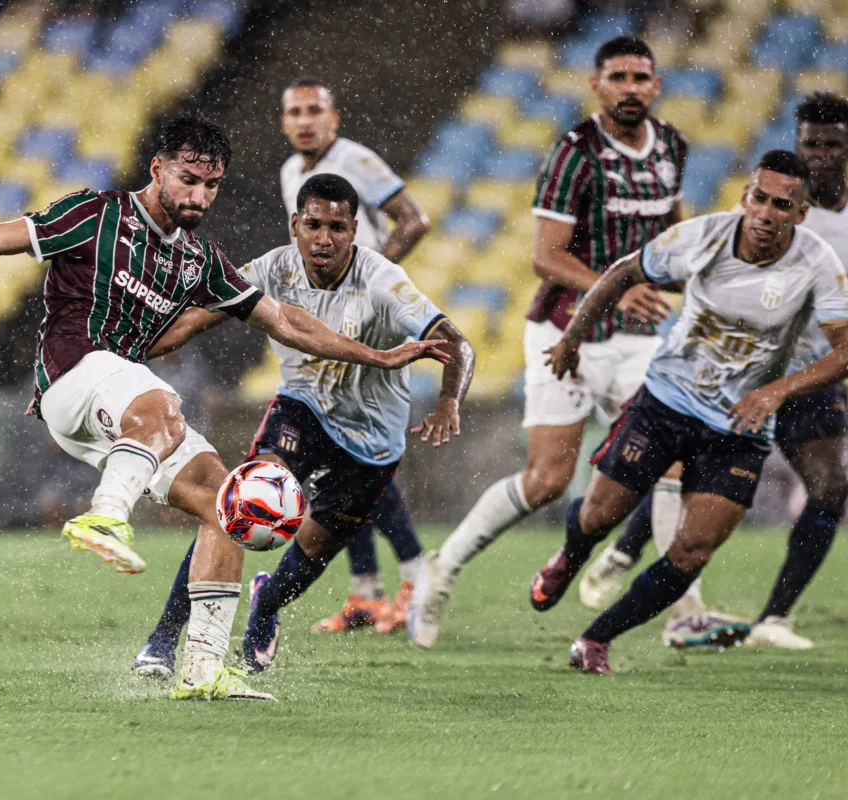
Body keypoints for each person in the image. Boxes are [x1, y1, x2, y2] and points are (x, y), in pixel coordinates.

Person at [0, 117, 447, 701]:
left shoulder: (201, 262)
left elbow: (287, 321)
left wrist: (377, 354)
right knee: (162, 400)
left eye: (212, 185)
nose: (200, 195)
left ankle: (203, 668)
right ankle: (104, 516)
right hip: (73, 379)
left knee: (227, 502)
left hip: (124, 417)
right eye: (188, 178)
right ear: (157, 169)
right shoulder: (96, 214)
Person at [410, 35, 699, 649]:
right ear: (596, 86)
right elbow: (545, 256)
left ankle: (683, 610)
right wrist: (618, 288)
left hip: (640, 337)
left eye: (641, 77)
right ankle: (445, 565)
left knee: (672, 461)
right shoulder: (576, 153)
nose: (630, 88)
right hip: (565, 329)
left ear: (656, 85)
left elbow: (674, 223)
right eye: (617, 76)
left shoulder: (671, 145)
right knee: (546, 478)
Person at [535, 151, 848, 674]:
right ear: (744, 196)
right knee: (600, 516)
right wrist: (573, 338)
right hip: (666, 403)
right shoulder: (702, 236)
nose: (766, 213)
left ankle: (595, 640)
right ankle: (570, 557)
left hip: (739, 424)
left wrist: (775, 391)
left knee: (693, 551)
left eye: (782, 205)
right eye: (759, 198)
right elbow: (623, 272)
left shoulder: (817, 262)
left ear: (799, 215)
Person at [132, 174, 473, 677]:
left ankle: (264, 608)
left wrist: (449, 402)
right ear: (296, 225)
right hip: (302, 408)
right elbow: (198, 313)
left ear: (355, 230)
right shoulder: (271, 268)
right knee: (236, 504)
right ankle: (162, 640)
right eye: (313, 224)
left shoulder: (382, 281)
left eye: (337, 227)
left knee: (313, 549)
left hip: (372, 441)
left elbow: (458, 345)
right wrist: (138, 347)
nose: (324, 238)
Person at [591, 92, 848, 649]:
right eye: (811, 143)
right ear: (797, 144)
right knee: (682, 468)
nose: (822, 154)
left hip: (808, 375)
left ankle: (774, 618)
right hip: (733, 371)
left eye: (832, 144)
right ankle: (622, 549)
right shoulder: (761, 207)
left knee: (832, 483)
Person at [280, 77, 432, 635]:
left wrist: (367, 286)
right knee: (337, 456)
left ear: (334, 119)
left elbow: (414, 220)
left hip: (367, 324)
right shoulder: (291, 175)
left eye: (314, 111)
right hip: (326, 326)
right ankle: (366, 590)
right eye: (294, 112)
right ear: (283, 122)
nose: (304, 121)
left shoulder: (355, 160)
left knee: (359, 455)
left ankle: (417, 570)